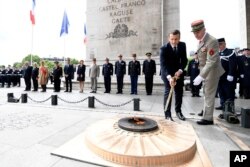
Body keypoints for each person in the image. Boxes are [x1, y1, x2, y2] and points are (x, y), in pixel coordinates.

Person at [191, 20, 225, 125]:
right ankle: (206, 111)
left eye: (198, 32)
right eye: (194, 32)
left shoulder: (211, 41)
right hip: (206, 70)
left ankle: (208, 118)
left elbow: (211, 61)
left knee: (209, 93)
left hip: (212, 70)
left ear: (204, 29)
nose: (196, 34)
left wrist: (201, 76)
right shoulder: (201, 40)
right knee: (206, 92)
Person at [160, 29, 188, 121]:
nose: (174, 41)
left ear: (179, 38)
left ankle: (178, 111)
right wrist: (169, 78)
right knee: (169, 92)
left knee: (179, 92)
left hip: (178, 73)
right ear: (169, 38)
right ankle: (167, 114)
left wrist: (180, 70)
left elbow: (184, 60)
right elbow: (163, 65)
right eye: (172, 39)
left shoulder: (183, 45)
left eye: (176, 39)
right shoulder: (164, 48)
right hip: (167, 73)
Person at [216, 38, 238, 116]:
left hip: (228, 77)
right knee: (221, 93)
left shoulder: (230, 52)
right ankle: (223, 106)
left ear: (224, 44)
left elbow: (233, 64)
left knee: (229, 93)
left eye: (220, 44)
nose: (219, 46)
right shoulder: (217, 53)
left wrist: (231, 74)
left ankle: (230, 109)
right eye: (218, 45)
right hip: (220, 77)